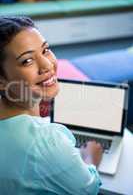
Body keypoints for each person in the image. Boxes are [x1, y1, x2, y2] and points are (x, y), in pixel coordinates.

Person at [0, 16, 103, 195]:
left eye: (45, 50)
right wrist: (90, 157)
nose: (47, 65)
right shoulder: (45, 142)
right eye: (27, 61)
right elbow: (88, 190)